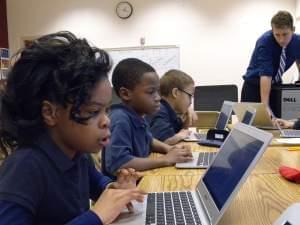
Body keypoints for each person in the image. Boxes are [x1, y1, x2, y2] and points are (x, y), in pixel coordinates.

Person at [0, 31, 146, 225]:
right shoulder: (25, 168)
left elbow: (97, 183)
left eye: (107, 110)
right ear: (51, 113)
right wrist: (96, 216)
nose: (106, 121)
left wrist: (115, 189)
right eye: (94, 111)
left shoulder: (77, 154)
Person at [102, 58, 193, 178]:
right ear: (125, 94)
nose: (158, 98)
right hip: (123, 190)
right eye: (151, 92)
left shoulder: (137, 115)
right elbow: (120, 163)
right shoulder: (120, 119)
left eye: (158, 92)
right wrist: (165, 160)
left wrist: (169, 148)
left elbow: (149, 140)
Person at [241, 10, 300, 114]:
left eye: (285, 34)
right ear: (272, 30)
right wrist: (265, 106)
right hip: (254, 86)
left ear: (293, 30)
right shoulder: (264, 42)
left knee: (278, 121)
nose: (281, 39)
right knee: (255, 123)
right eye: (277, 35)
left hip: (275, 85)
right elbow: (266, 75)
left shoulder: (298, 41)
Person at [146, 69, 197, 145]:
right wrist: (180, 136)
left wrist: (187, 119)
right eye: (190, 96)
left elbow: (181, 131)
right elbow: (162, 141)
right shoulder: (160, 110)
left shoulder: (170, 111)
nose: (191, 102)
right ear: (175, 93)